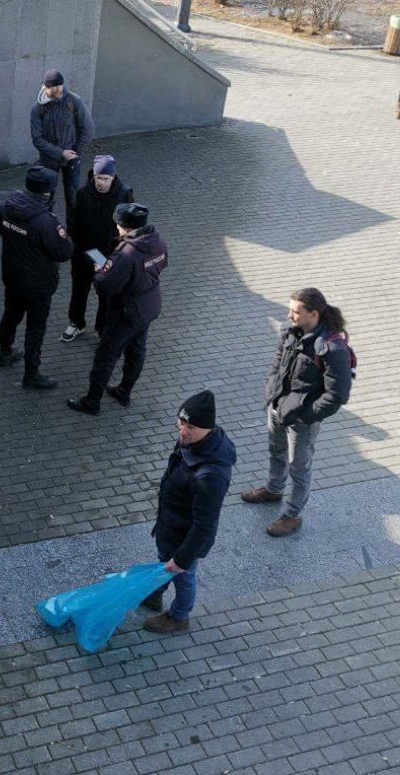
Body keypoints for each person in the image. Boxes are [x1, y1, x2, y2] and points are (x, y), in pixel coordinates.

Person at [242, 288, 353, 537]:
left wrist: (306, 416)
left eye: (295, 311)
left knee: (299, 468)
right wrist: (272, 389)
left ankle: (292, 514)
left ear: (313, 314)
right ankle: (274, 489)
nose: (289, 315)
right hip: (277, 408)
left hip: (301, 420)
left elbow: (338, 395)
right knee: (276, 451)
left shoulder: (332, 349)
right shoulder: (291, 332)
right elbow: (278, 361)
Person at [141, 390, 236, 634]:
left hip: (184, 539)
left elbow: (204, 525)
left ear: (207, 428)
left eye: (190, 426)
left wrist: (182, 559)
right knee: (165, 562)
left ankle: (179, 616)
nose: (182, 430)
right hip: (171, 526)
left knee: (183, 575)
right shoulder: (191, 440)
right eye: (181, 423)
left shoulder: (211, 475)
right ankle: (155, 594)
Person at [67, 202, 167, 415]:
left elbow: (105, 286)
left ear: (126, 227)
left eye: (118, 225)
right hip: (149, 306)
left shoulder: (126, 252)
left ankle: (92, 401)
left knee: (106, 355)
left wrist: (101, 271)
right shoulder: (157, 240)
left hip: (126, 311)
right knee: (137, 350)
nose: (116, 229)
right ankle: (124, 391)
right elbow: (161, 264)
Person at [0, 166, 73, 390]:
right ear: (48, 192)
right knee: (35, 329)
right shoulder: (45, 221)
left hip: (12, 277)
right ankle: (32, 373)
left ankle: (5, 352)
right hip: (38, 285)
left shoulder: (6, 207)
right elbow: (64, 252)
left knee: (10, 315)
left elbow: (3, 232)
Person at [61, 154, 134, 343]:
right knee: (79, 290)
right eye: (99, 177)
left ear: (113, 177)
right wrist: (81, 245)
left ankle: (103, 329)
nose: (102, 182)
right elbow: (72, 222)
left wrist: (111, 254)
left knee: (106, 295)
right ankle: (76, 323)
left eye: (106, 178)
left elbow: (128, 228)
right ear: (93, 175)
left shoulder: (123, 195)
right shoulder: (82, 193)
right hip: (83, 252)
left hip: (108, 255)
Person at [30, 68, 95, 225]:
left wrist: (75, 152)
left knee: (73, 197)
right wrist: (60, 153)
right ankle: (46, 229)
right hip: (48, 160)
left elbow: (88, 128)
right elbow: (37, 139)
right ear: (46, 87)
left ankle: (73, 235)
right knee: (46, 197)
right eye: (55, 87)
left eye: (61, 85)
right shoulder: (38, 108)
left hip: (72, 159)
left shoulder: (73, 101)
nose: (59, 90)